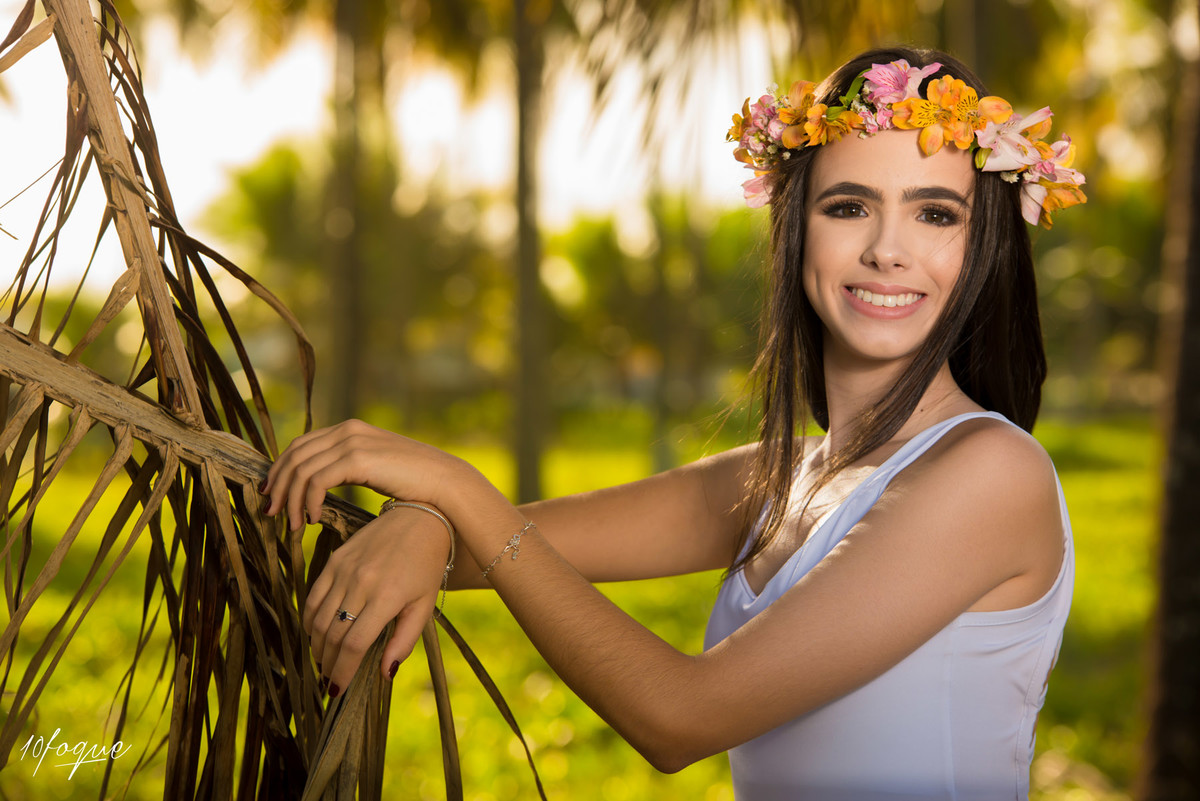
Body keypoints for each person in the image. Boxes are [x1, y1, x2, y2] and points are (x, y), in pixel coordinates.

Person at [261, 46, 1082, 800]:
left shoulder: (990, 472)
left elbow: (682, 717)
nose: (888, 250)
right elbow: (504, 548)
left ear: (985, 248)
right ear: (797, 231)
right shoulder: (777, 477)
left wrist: (450, 485)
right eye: (848, 206)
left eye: (936, 214)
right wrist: (428, 520)